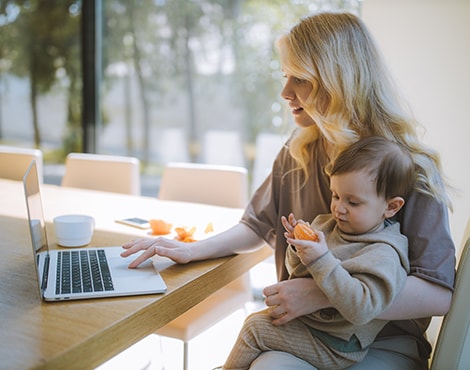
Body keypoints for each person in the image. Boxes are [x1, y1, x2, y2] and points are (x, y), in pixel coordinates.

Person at [121, 12, 455, 369]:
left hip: (381, 342)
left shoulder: (408, 168)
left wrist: (322, 293)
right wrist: (192, 250)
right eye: (285, 76)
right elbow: (257, 225)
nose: (285, 93)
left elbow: (438, 294)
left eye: (300, 79)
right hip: (309, 329)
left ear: (338, 81)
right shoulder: (299, 150)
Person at [222, 136, 413, 370]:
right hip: (312, 327)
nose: (338, 208)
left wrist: (321, 259)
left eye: (353, 202)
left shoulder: (384, 253)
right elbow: (299, 273)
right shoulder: (328, 224)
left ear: (391, 207)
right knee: (257, 322)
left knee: (255, 330)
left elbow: (362, 309)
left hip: (337, 345)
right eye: (336, 196)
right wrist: (299, 248)